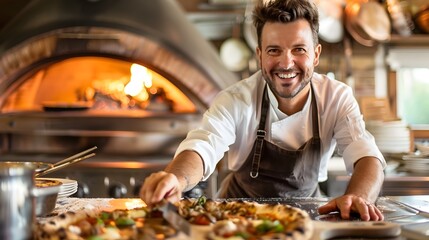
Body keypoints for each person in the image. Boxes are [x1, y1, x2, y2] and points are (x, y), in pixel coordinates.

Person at [140, 0, 386, 221]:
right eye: (274, 50)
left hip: (307, 218)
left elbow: (366, 156)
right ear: (260, 55)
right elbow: (202, 146)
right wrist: (175, 179)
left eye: (299, 49)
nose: (286, 63)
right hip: (237, 219)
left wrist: (358, 196)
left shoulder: (336, 97)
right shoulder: (237, 98)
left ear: (316, 55)